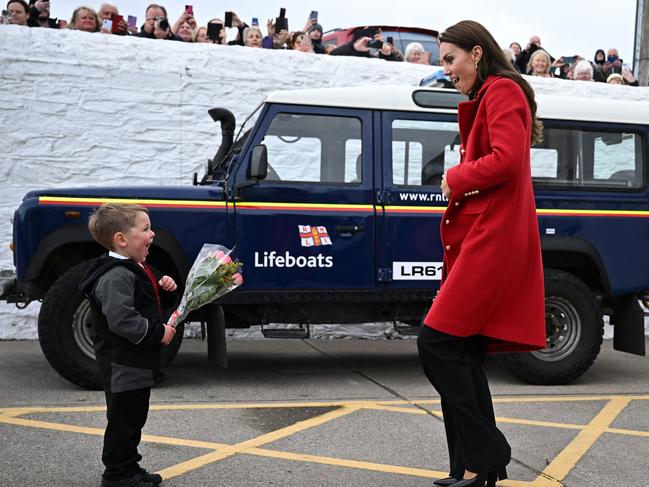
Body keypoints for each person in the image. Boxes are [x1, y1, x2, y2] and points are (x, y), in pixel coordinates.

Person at [417, 20, 546, 487]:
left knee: (436, 344)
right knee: (462, 352)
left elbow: (509, 160)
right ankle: (472, 468)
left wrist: (459, 175)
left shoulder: (502, 91)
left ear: (476, 53)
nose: (446, 69)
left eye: (450, 59)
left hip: (491, 240)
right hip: (480, 238)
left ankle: (487, 453)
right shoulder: (488, 95)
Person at [80, 203, 178, 487]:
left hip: (135, 363)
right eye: (145, 229)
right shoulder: (115, 275)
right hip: (124, 364)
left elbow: (146, 296)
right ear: (121, 239)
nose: (153, 234)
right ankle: (117, 475)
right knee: (123, 422)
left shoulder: (134, 266)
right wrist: (159, 333)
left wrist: (164, 285)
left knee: (134, 418)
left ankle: (129, 467)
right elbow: (122, 320)